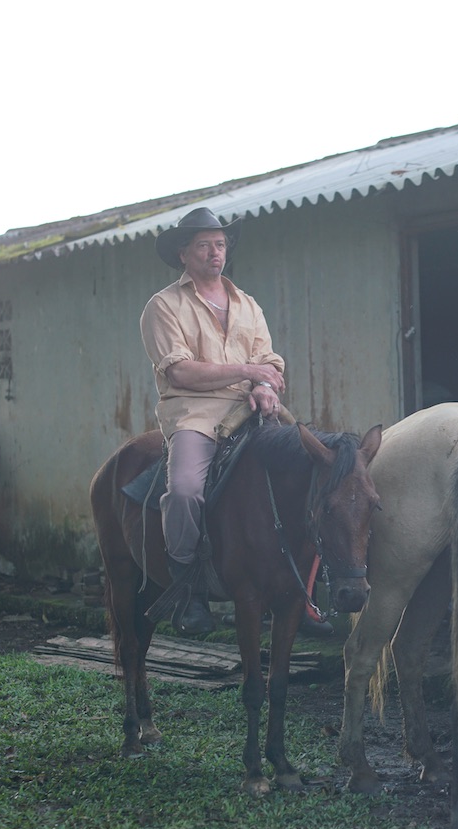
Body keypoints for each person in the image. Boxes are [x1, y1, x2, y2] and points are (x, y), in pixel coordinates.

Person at [140, 206, 286, 634]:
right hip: (195, 413)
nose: (214, 252)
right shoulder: (163, 306)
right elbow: (180, 371)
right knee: (185, 491)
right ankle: (189, 589)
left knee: (304, 476)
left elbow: (268, 361)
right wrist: (248, 372)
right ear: (183, 253)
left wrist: (265, 387)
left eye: (220, 244)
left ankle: (298, 592)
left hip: (251, 409)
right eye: (203, 245)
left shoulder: (248, 304)